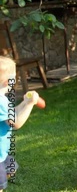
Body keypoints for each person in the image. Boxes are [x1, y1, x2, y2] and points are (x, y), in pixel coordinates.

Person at [0, 56, 40, 191]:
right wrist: (30, 105)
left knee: (11, 169)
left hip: (2, 152)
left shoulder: (2, 100)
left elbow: (12, 112)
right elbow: (15, 123)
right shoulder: (0, 102)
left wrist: (24, 102)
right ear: (7, 82)